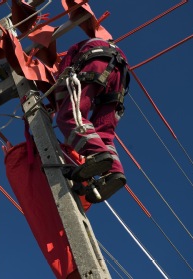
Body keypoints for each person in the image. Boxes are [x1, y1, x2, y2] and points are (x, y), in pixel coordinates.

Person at [54, 38, 129, 203]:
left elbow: (62, 78)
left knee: (69, 116)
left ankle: (97, 153)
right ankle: (114, 173)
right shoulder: (102, 43)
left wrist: (56, 105)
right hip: (120, 74)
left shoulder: (73, 49)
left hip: (97, 63)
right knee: (104, 132)